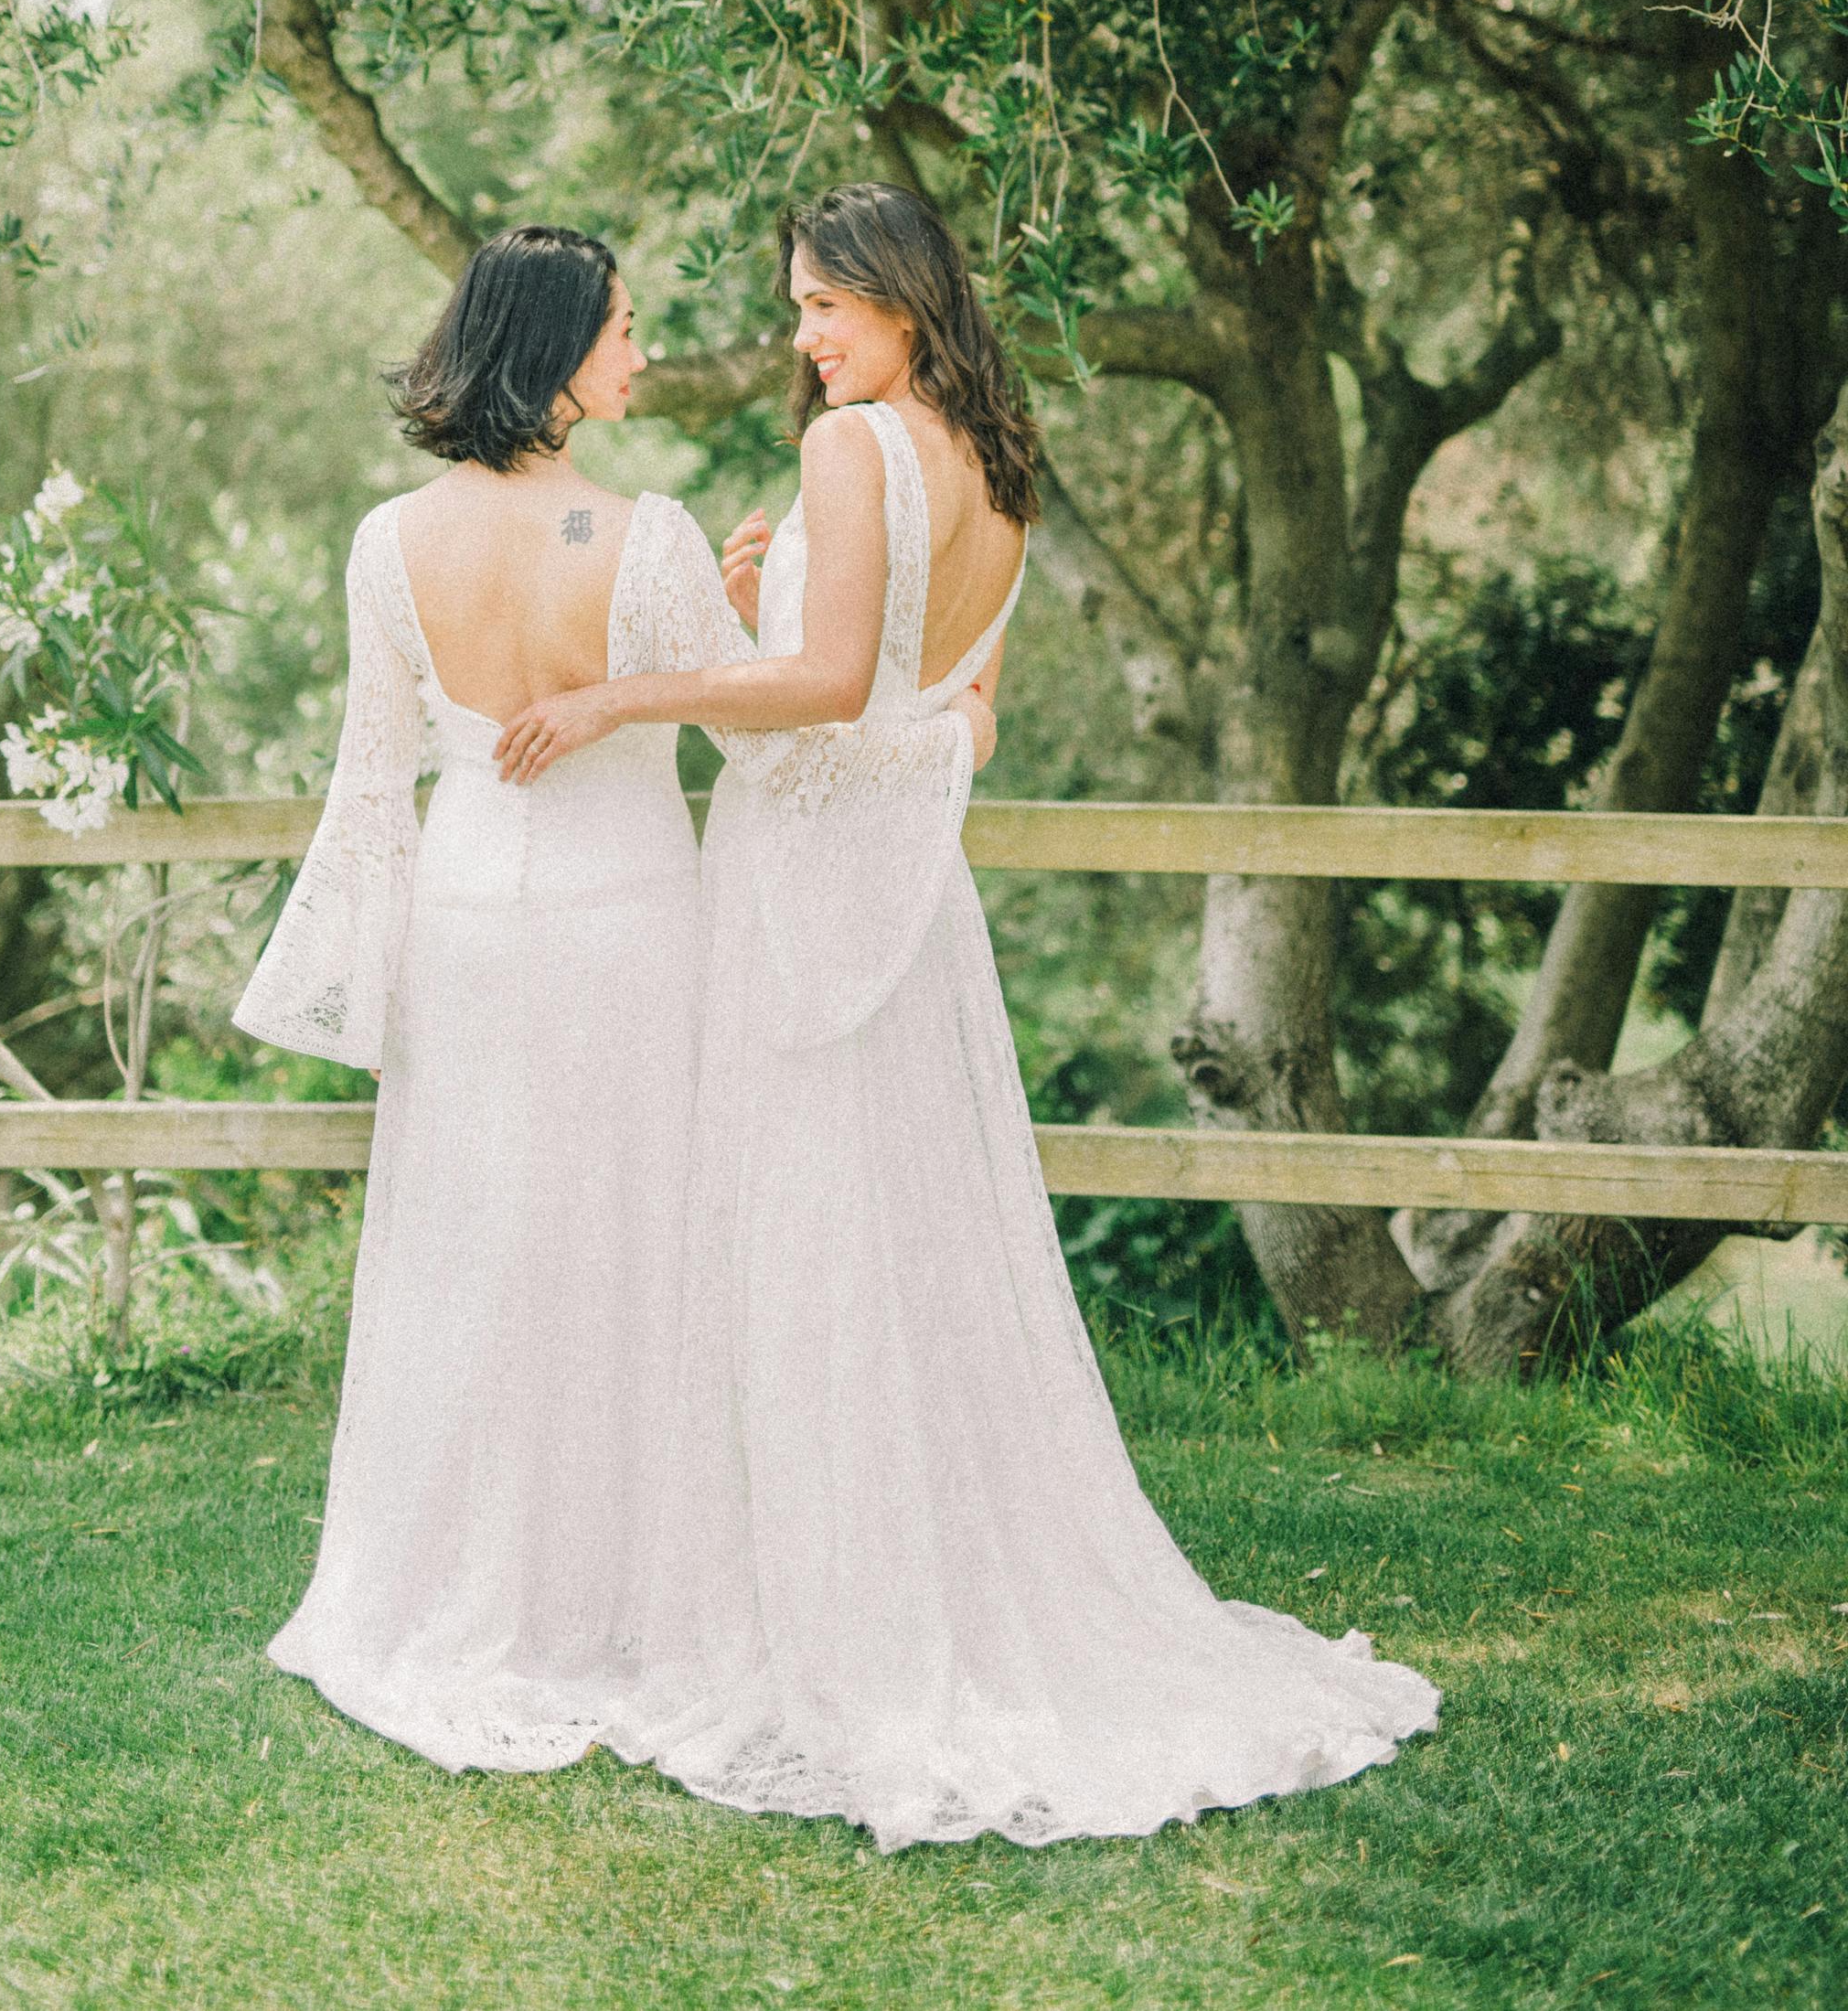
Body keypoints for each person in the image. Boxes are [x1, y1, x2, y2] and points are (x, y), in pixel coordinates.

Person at [497, 183, 1440, 1851]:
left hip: (801, 896)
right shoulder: (999, 466)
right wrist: (759, 592)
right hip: (914, 907)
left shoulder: (853, 453)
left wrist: (624, 691)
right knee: (904, 1248)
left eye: (822, 310)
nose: (803, 340)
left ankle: (835, 1626)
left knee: (801, 1244)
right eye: (801, 311)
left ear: (902, 301)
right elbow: (959, 718)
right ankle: (909, 1579)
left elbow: (831, 691)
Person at [230, 226, 756, 1770]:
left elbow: (367, 773)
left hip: (468, 920)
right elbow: (744, 721)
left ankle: (450, 1589)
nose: (643, 353)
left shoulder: (389, 542)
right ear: (556, 351)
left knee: (472, 1245)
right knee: (631, 1241)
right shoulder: (642, 533)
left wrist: (357, 976)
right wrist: (747, 605)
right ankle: (620, 1601)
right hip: (628, 919)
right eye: (625, 328)